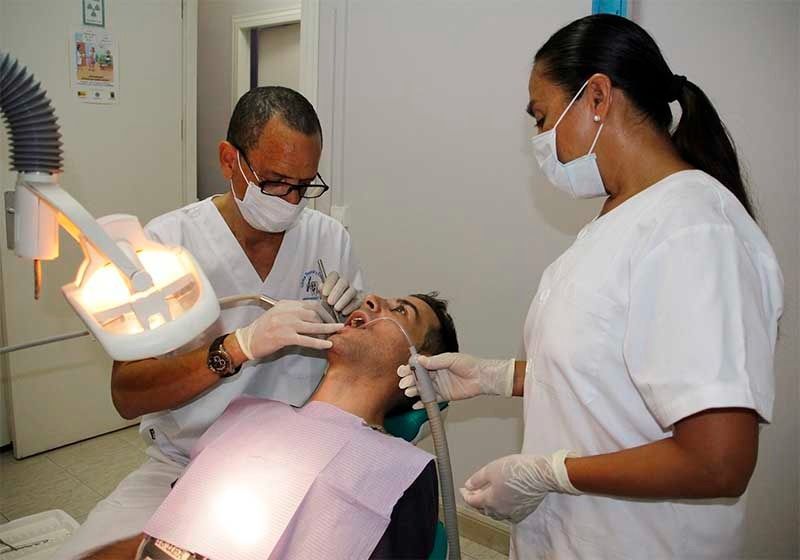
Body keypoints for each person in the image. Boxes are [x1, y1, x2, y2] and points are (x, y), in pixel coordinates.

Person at [398, 14, 783, 559]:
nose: (540, 139)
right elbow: (613, 373)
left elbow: (718, 460)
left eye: (543, 116)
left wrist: (551, 473)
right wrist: (495, 376)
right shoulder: (616, 221)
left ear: (597, 96)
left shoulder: (695, 229)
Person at [55, 87, 364, 560]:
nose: (293, 200)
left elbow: (361, 367)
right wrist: (236, 347)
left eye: (305, 185)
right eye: (277, 181)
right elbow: (129, 395)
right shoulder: (167, 244)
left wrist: (350, 326)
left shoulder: (329, 239)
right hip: (185, 462)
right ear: (229, 160)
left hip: (295, 465)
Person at [81, 292, 459, 560]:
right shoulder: (247, 414)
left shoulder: (404, 471)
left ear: (420, 366)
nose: (371, 298)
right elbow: (169, 532)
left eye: (401, 310)